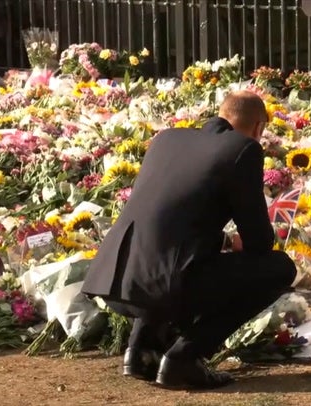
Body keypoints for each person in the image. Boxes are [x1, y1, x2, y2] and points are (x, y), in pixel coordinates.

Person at [81, 91, 297, 390]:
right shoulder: (242, 149)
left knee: (170, 260)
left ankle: (142, 349)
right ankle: (186, 356)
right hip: (168, 284)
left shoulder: (167, 139)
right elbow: (259, 242)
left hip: (116, 278)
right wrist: (236, 242)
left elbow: (169, 219)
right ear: (259, 128)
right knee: (279, 268)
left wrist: (222, 241)